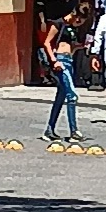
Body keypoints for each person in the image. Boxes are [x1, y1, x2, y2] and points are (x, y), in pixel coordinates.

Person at [39, 9, 83, 144]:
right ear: (76, 16)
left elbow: (71, 47)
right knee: (72, 95)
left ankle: (49, 129)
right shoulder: (58, 24)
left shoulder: (71, 28)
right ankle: (73, 131)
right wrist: (54, 61)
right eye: (79, 20)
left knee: (61, 97)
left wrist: (81, 46)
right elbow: (47, 42)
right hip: (61, 61)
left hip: (69, 60)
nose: (79, 23)